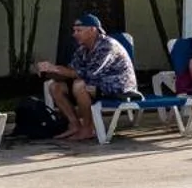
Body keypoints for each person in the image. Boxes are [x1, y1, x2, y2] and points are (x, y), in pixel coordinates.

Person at [34, 14, 139, 142]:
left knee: (80, 86)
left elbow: (87, 74)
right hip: (96, 85)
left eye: (79, 30)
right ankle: (74, 125)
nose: (74, 34)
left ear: (92, 30)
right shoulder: (82, 49)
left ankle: (88, 129)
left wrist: (55, 68)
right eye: (74, 31)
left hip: (118, 87)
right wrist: (47, 71)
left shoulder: (107, 45)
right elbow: (70, 72)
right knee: (55, 87)